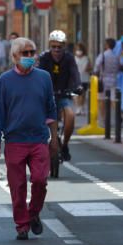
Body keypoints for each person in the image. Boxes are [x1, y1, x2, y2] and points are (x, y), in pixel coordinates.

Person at [0, 37, 59, 240]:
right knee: (17, 186)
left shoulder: (44, 77)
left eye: (32, 52)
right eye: (25, 53)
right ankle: (22, 225)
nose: (30, 56)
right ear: (14, 56)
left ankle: (34, 212)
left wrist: (54, 138)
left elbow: (51, 108)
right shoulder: (5, 81)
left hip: (38, 139)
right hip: (15, 141)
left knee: (40, 180)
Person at [38, 30, 81, 163]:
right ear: (50, 45)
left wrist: (77, 86)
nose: (56, 50)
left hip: (63, 94)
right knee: (37, 118)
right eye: (54, 46)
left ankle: (65, 144)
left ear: (64, 46)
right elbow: (39, 74)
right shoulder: (44, 58)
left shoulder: (69, 58)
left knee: (70, 115)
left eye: (59, 47)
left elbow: (75, 74)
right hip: (47, 96)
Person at [94, 38, 123, 103]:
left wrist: (96, 73)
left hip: (103, 80)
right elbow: (118, 67)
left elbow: (97, 65)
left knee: (102, 99)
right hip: (114, 79)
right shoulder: (116, 56)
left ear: (107, 45)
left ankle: (103, 113)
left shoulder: (103, 55)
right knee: (113, 98)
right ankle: (115, 112)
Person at [73, 43, 91, 116]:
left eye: (80, 50)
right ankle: (78, 108)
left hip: (84, 79)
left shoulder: (86, 58)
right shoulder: (73, 58)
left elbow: (90, 67)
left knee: (83, 94)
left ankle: (82, 107)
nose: (78, 51)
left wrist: (88, 69)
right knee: (77, 94)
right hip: (76, 79)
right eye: (77, 50)